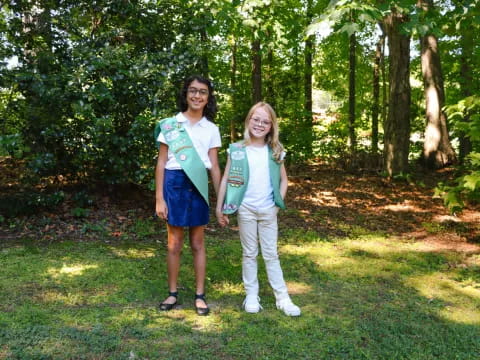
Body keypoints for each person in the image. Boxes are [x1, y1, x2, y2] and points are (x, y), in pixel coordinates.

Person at [216, 102, 301, 316]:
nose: (260, 124)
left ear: (271, 126)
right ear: (248, 120)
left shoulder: (275, 152)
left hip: (268, 211)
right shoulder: (237, 150)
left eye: (265, 121)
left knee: (271, 253)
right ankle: (251, 295)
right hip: (245, 209)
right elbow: (226, 178)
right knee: (249, 253)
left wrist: (277, 206)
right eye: (256, 119)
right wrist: (220, 207)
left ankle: (282, 297)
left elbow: (284, 181)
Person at [155, 75, 221, 316]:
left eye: (202, 92)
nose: (197, 96)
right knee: (174, 243)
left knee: (197, 243)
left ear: (208, 97)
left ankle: (199, 295)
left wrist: (220, 200)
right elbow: (161, 163)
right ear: (185, 94)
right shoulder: (171, 125)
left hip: (198, 184)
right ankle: (172, 293)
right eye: (192, 91)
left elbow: (214, 166)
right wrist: (159, 198)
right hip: (174, 184)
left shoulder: (212, 129)